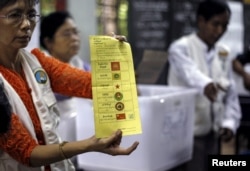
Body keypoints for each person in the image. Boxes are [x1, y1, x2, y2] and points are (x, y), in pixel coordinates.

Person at [0, 0, 139, 171]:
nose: (26, 24)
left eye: (31, 15)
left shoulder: (37, 63)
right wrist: (89, 145)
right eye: (15, 15)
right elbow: (27, 152)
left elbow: (94, 86)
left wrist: (113, 59)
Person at [167, 0, 241, 170]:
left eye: (225, 25)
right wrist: (206, 84)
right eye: (215, 24)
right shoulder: (181, 48)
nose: (220, 31)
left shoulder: (223, 52)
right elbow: (189, 72)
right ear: (201, 21)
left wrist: (229, 123)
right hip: (187, 136)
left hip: (213, 134)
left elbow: (231, 94)